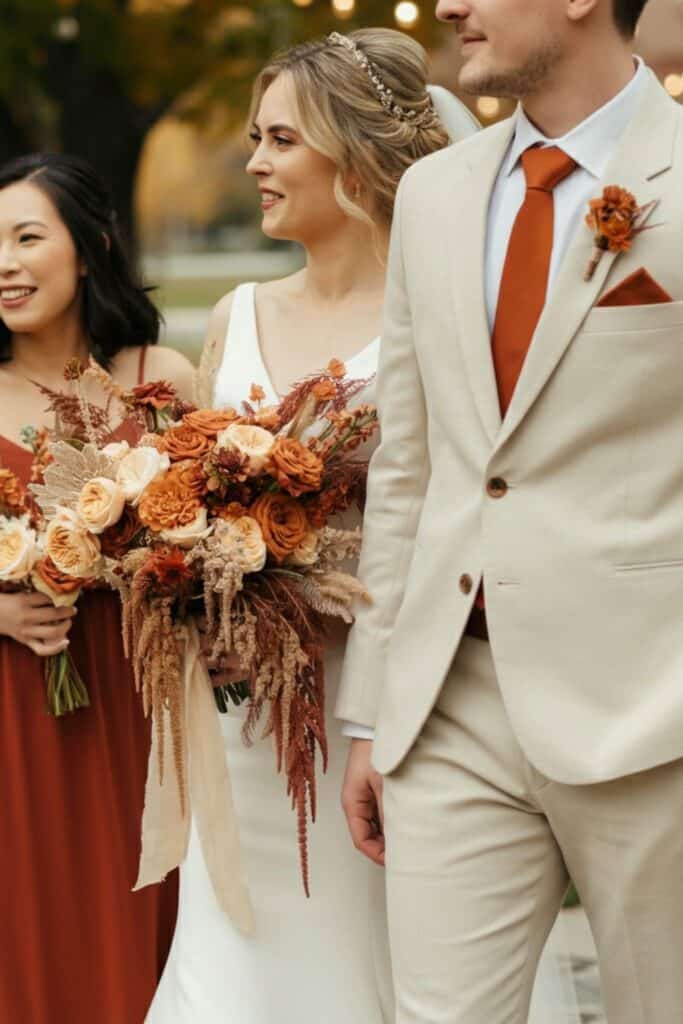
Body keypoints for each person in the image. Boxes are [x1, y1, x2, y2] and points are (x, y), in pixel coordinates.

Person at [339, 0, 683, 1021]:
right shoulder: (436, 195)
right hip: (449, 700)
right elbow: (410, 464)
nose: (448, 5)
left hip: (650, 707)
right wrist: (372, 709)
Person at [147, 29, 476, 1024]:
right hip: (243, 710)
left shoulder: (436, 306)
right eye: (253, 137)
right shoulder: (232, 312)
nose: (252, 162)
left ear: (354, 151)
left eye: (279, 139)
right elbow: (191, 494)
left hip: (377, 705)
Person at [0, 152, 195, 1024]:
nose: (2, 262)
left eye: (26, 237)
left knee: (151, 934)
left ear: (91, 246)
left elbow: (228, 539)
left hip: (144, 704)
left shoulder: (163, 379)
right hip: (15, 718)